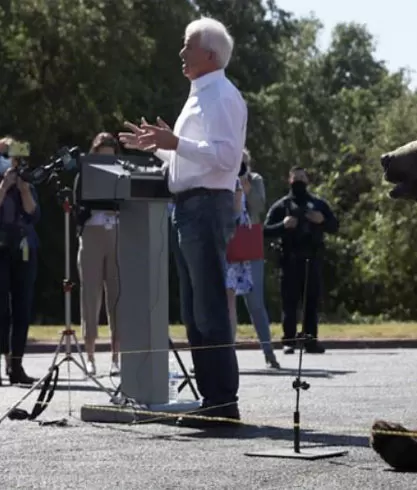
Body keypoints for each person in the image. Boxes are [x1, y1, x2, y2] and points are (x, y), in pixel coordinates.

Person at [118, 16, 247, 427]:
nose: (181, 52)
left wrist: (175, 141)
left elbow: (226, 158)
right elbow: (189, 159)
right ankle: (211, 400)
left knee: (209, 307)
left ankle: (223, 402)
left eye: (187, 45)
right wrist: (158, 148)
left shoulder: (222, 95)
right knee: (194, 311)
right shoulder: (199, 95)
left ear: (210, 55)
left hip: (207, 206)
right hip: (189, 206)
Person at [263, 166, 338, 355]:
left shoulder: (318, 204)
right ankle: (289, 341)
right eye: (295, 179)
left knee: (311, 302)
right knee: (289, 302)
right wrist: (283, 225)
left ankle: (310, 341)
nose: (299, 182)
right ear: (289, 181)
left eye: (302, 178)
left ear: (308, 181)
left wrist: (321, 220)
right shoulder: (281, 206)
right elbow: (265, 230)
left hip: (312, 258)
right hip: (289, 259)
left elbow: (335, 225)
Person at [73, 132, 122, 377]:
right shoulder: (84, 175)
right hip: (91, 234)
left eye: (110, 158)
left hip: (116, 233)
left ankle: (116, 358)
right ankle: (90, 356)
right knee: (90, 297)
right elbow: (76, 209)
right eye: (102, 157)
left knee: (116, 297)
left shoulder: (123, 174)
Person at [231, 150, 280, 368]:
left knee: (255, 302)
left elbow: (259, 207)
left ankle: (268, 352)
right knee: (225, 302)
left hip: (249, 244)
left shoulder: (255, 179)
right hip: (227, 243)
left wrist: (244, 182)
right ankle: (223, 355)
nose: (238, 165)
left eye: (242, 162)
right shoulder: (222, 179)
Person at [0, 136, 41, 385]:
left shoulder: (26, 180)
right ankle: (3, 359)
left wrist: (23, 187)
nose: (10, 161)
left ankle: (17, 365)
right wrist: (4, 187)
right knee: (0, 309)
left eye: (13, 156)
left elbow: (34, 214)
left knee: (22, 307)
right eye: (5, 155)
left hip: (24, 247)